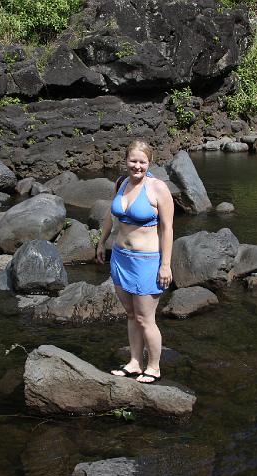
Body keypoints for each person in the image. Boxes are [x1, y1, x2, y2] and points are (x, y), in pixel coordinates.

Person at [96, 140, 174, 384]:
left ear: (149, 162)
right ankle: (134, 362)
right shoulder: (121, 183)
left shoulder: (158, 188)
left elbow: (168, 228)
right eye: (133, 161)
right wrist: (102, 241)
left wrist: (165, 264)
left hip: (147, 262)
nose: (137, 166)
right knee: (131, 314)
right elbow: (112, 215)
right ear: (126, 160)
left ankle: (153, 367)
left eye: (142, 162)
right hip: (120, 258)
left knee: (145, 319)